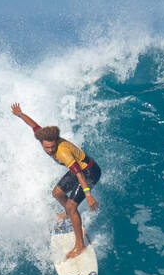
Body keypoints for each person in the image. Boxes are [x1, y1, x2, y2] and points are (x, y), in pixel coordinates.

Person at [11, 103, 100, 259]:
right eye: (47, 147)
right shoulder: (42, 137)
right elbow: (33, 125)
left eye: (52, 147)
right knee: (57, 193)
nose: (50, 150)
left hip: (89, 172)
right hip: (79, 167)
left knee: (72, 206)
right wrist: (20, 114)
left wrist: (88, 195)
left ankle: (80, 246)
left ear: (56, 141)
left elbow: (79, 175)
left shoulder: (64, 153)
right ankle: (70, 214)